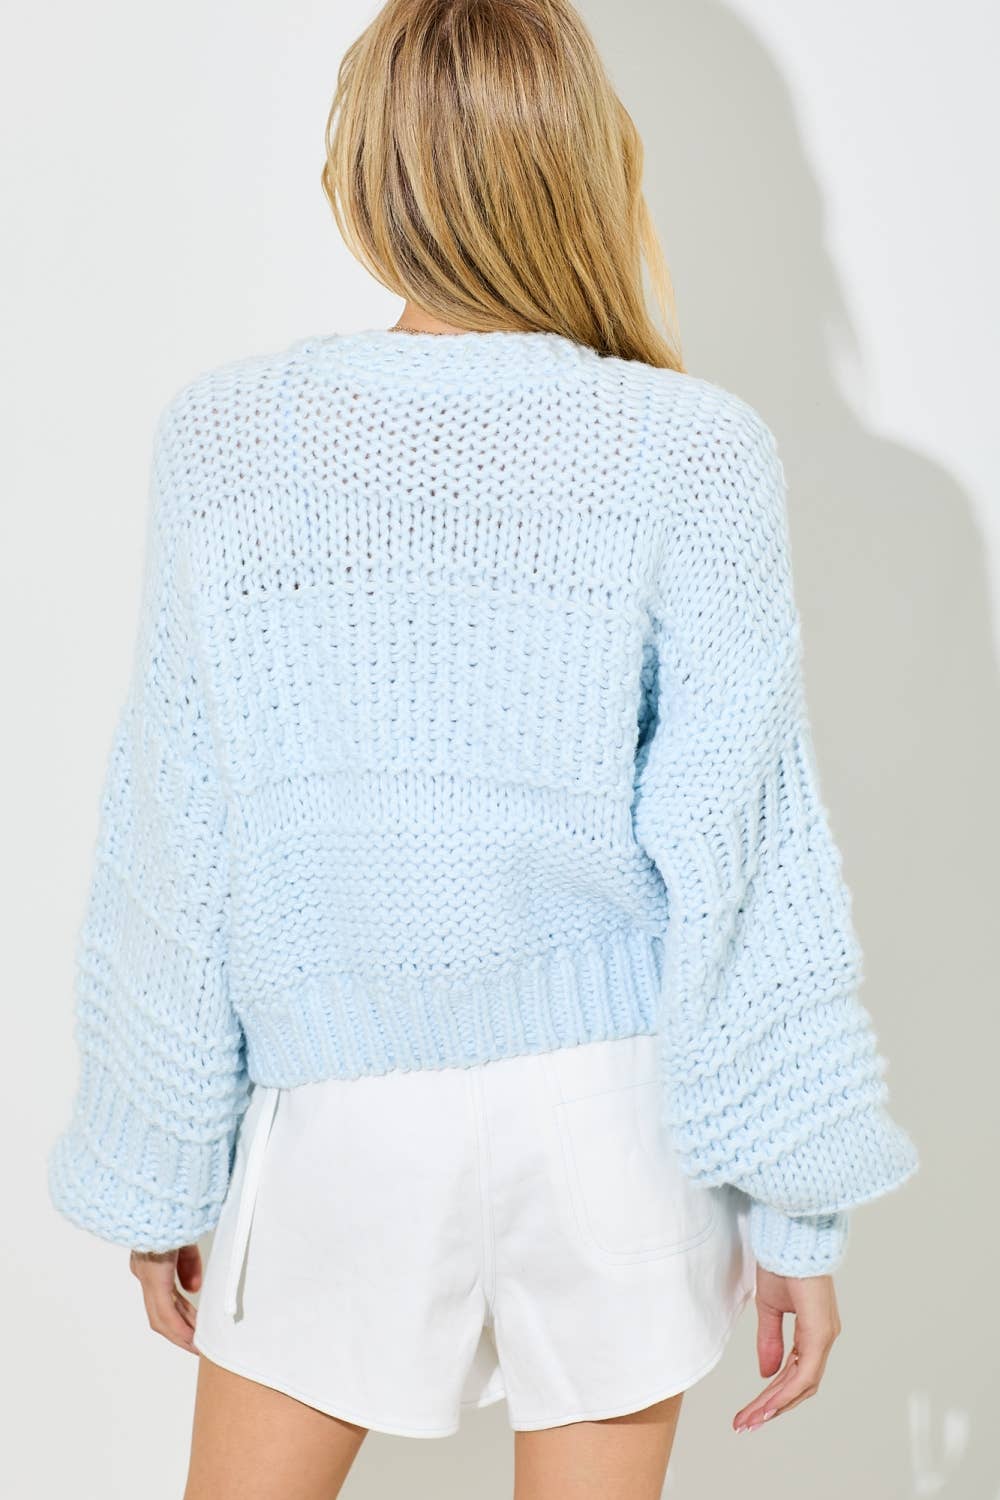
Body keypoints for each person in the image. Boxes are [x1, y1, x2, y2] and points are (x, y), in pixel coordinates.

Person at [47, 1, 919, 1495]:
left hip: (339, 1122)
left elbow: (178, 839)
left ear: (362, 169)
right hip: (613, 1126)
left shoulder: (229, 443)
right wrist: (796, 1214)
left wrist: (158, 1171)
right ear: (582, 160)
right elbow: (745, 857)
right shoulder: (691, 448)